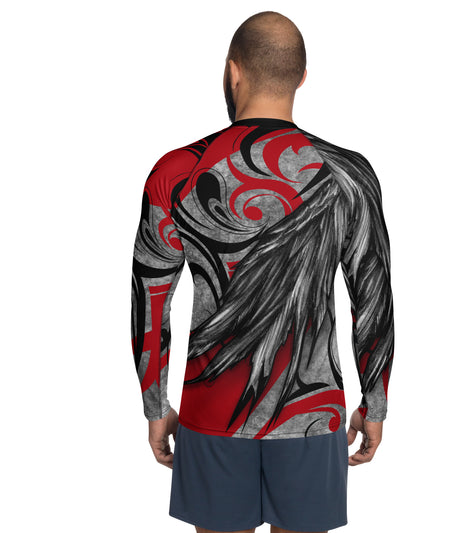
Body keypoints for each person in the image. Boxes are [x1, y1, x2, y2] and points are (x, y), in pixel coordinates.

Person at [130, 10, 395, 533]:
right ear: (301, 76)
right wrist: (376, 403)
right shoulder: (347, 174)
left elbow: (150, 299)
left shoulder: (178, 171)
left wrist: (155, 406)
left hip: (212, 413)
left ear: (233, 71)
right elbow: (373, 299)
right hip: (312, 415)